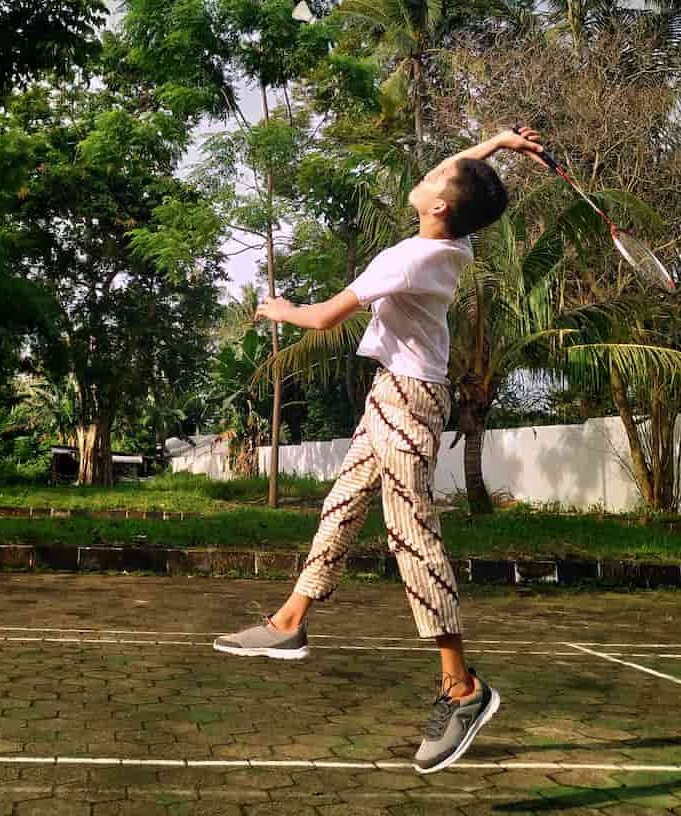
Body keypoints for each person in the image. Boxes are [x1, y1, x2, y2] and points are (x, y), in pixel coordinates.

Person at [212, 128, 546, 774]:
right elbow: (454, 167)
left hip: (409, 400)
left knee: (412, 534)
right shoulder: (451, 241)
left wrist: (279, 308)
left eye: (437, 179)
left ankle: (462, 687)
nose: (430, 172)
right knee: (340, 506)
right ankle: (290, 619)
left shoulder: (408, 259)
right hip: (394, 392)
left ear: (441, 207)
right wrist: (498, 142)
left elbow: (323, 319)